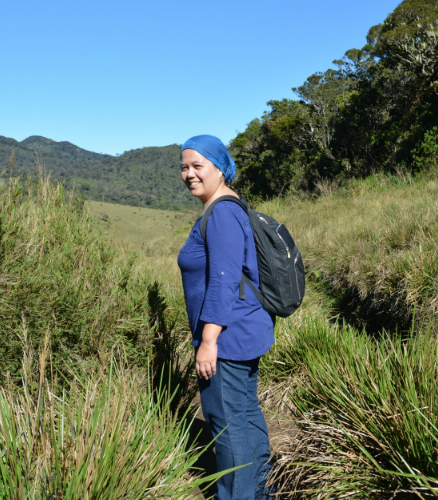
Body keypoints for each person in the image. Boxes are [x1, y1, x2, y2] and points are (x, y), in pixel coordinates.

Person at [176, 135, 275, 499]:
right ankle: (259, 491)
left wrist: (208, 341)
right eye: (184, 167)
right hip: (243, 331)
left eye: (197, 166)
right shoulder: (226, 208)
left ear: (220, 168)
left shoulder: (222, 213)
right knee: (246, 416)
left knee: (227, 425)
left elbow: (224, 281)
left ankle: (237, 495)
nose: (189, 174)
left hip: (227, 339)